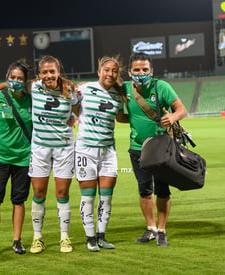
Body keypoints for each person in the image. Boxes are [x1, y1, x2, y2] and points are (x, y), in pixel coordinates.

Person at [0, 55, 79, 254]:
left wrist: (72, 117)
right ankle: (33, 237)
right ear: (38, 75)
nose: (49, 75)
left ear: (58, 72)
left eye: (52, 71)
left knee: (58, 194)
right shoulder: (33, 88)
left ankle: (62, 237)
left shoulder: (68, 90)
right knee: (32, 195)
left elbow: (79, 106)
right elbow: (12, 82)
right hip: (28, 152)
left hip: (54, 151)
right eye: (44, 72)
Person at [123, 52, 187, 245]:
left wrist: (174, 117)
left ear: (151, 71)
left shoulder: (162, 87)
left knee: (162, 190)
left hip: (161, 147)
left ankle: (162, 230)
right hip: (137, 147)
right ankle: (150, 228)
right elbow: (120, 116)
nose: (141, 73)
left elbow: (182, 109)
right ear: (129, 72)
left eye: (144, 69)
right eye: (136, 70)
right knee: (144, 190)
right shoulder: (125, 89)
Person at [73, 55, 128, 252]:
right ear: (99, 72)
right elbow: (72, 106)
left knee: (106, 196)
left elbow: (121, 117)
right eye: (107, 70)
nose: (110, 74)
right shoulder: (84, 88)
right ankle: (90, 238)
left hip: (108, 151)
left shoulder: (118, 95)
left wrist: (144, 119)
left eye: (114, 71)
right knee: (88, 196)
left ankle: (101, 236)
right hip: (85, 149)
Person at [0, 60, 32, 258]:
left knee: (18, 200)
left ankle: (17, 240)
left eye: (20, 79)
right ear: (7, 78)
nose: (15, 81)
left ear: (25, 82)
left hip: (24, 158)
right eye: (12, 78)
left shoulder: (31, 100)